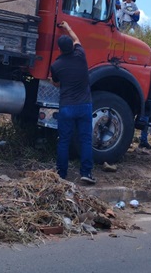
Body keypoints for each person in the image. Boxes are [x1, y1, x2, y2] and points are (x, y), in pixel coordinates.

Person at [50, 21, 95, 184]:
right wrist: (68, 27)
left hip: (67, 106)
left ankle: (61, 174)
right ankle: (86, 173)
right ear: (73, 47)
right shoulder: (80, 55)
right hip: (84, 106)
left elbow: (56, 83)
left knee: (64, 140)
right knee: (85, 139)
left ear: (60, 49)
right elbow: (76, 39)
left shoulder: (56, 66)